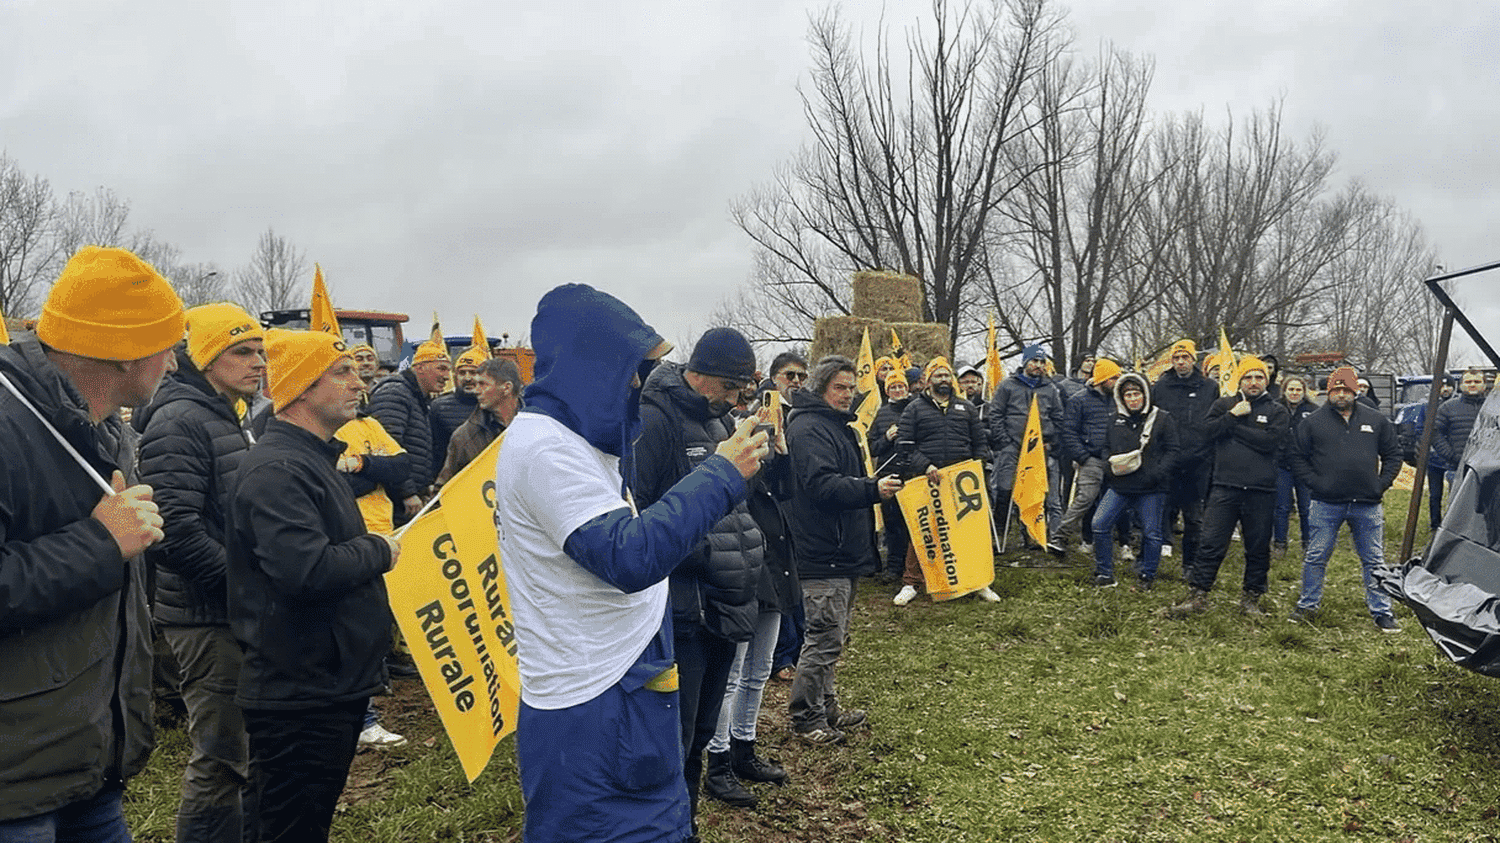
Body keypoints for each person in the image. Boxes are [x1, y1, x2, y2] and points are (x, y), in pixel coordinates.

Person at [494, 284, 768, 843]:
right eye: (631, 370)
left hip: (624, 679)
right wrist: (721, 473)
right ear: (592, 368)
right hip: (595, 698)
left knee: (655, 816)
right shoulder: (545, 448)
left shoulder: (574, 441)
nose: (639, 386)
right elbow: (629, 554)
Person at [0, 246, 183, 837]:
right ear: (124, 351)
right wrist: (101, 543)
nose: (174, 363)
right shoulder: (7, 422)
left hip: (88, 764)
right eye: (167, 345)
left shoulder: (104, 428)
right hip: (14, 788)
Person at [227, 329, 401, 841]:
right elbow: (307, 570)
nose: (359, 383)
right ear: (301, 387)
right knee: (287, 827)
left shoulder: (310, 459)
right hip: (300, 693)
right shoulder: (279, 469)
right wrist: (379, 549)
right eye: (340, 372)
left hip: (324, 683)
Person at [137, 303, 263, 843]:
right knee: (221, 759)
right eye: (243, 351)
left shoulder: (223, 412)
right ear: (207, 357)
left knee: (242, 754)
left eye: (260, 350)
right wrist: (247, 588)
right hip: (205, 617)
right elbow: (174, 531)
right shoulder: (180, 421)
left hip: (229, 609)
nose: (259, 362)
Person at [634, 328, 764, 820]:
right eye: (730, 387)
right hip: (682, 608)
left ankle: (685, 825)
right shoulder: (655, 419)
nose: (735, 399)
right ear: (702, 374)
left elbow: (734, 504)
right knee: (677, 734)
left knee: (702, 733)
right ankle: (668, 824)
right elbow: (638, 514)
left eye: (741, 391)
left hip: (723, 601)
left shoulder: (720, 421)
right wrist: (704, 551)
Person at [785, 355, 903, 744]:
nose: (848, 394)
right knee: (822, 638)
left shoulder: (835, 426)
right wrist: (872, 489)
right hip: (822, 553)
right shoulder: (808, 428)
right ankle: (807, 717)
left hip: (841, 551)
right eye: (840, 387)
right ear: (820, 387)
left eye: (852, 388)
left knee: (835, 636)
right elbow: (822, 485)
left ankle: (826, 706)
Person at [1285, 366, 1403, 631]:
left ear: (1355, 392)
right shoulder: (1312, 422)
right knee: (1316, 555)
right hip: (1326, 503)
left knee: (1374, 559)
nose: (1340, 394)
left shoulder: (1376, 420)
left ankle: (1382, 611)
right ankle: (1307, 605)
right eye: (1336, 390)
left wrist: (1381, 484)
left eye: (1346, 390)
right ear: (1328, 392)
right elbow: (1296, 457)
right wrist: (1316, 483)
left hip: (1367, 503)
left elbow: (1394, 454)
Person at [1170, 356, 1288, 617]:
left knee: (1257, 548)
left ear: (1266, 380)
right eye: (1248, 377)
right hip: (1225, 486)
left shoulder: (1277, 410)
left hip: (1261, 490)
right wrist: (1232, 416)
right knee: (1210, 543)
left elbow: (1269, 442)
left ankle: (1251, 599)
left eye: (1259, 377)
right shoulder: (1224, 405)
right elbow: (1206, 432)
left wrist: (1233, 429)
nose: (1253, 382)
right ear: (1239, 380)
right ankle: (1198, 596)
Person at [892, 357, 996, 605]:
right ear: (928, 381)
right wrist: (925, 465)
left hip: (960, 482)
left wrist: (979, 467)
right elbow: (904, 445)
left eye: (947, 375)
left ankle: (978, 581)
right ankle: (911, 583)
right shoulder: (914, 409)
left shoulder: (966, 408)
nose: (944, 380)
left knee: (968, 532)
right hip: (927, 480)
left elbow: (980, 442)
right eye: (938, 375)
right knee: (923, 531)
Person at [1091, 374, 1178, 589]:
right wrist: (1108, 467)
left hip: (1152, 488)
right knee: (1099, 524)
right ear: (1121, 398)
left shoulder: (1162, 418)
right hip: (1120, 485)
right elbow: (1105, 447)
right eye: (1128, 395)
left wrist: (1157, 474)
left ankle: (1147, 575)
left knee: (1151, 533)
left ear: (1145, 394)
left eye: (1136, 394)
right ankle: (1104, 573)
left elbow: (1173, 451)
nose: (1132, 399)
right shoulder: (1114, 419)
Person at [986, 344, 1065, 551]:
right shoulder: (1007, 386)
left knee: (1034, 490)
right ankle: (998, 536)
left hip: (1039, 448)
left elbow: (1058, 417)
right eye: (1034, 361)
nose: (1038, 365)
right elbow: (995, 414)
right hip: (1012, 446)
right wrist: (1004, 441)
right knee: (1004, 490)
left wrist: (1051, 440)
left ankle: (1031, 534)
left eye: (1041, 362)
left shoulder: (1050, 389)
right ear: (1025, 362)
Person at [1151, 340, 1219, 573]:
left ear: (1193, 359)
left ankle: (1190, 563)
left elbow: (1214, 420)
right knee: (1164, 507)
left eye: (1185, 358)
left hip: (1198, 460)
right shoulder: (1161, 386)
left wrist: (1208, 450)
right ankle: (1160, 550)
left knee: (1194, 516)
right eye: (1176, 358)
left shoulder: (1209, 387)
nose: (1181, 362)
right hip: (1168, 457)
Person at [368, 339, 450, 525]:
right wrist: (407, 492)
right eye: (441, 368)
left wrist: (423, 486)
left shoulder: (417, 398)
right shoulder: (395, 393)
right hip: (396, 501)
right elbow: (386, 447)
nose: (447, 376)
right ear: (420, 367)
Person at [1056, 358, 1122, 550]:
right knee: (1085, 499)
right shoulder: (1078, 400)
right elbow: (1069, 431)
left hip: (1115, 460)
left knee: (1117, 500)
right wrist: (1081, 456)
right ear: (1102, 379)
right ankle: (1060, 536)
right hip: (1091, 458)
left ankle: (1114, 539)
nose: (1117, 382)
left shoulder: (1119, 400)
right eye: (1114, 378)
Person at [436, 357, 523, 484]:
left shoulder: (540, 425)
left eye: (483, 384)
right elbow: (445, 488)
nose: (476, 390)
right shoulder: (464, 437)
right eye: (476, 384)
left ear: (506, 388)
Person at [869, 367, 913, 581]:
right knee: (893, 523)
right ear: (887, 391)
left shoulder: (916, 408)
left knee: (914, 522)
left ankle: (916, 568)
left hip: (913, 473)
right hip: (890, 474)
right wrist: (886, 437)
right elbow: (872, 448)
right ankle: (895, 567)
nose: (898, 390)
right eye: (893, 387)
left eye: (901, 386)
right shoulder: (881, 414)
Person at [1273, 375, 1317, 558]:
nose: (1294, 393)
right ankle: (1279, 544)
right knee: (1281, 507)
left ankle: (1308, 544)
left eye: (1298, 389)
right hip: (1281, 464)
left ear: (1304, 392)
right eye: (1291, 389)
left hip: (1304, 466)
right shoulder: (1275, 408)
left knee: (1306, 508)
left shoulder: (1313, 410)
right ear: (1284, 391)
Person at [1433, 368, 1489, 494]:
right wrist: (1452, 456)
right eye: (1468, 382)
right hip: (1457, 469)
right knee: (1458, 505)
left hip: (1489, 470)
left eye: (1477, 381)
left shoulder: (1493, 407)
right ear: (1461, 385)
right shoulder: (1448, 407)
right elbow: (1435, 433)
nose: (1472, 385)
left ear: (1484, 385)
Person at [429, 344, 485, 464]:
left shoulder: (495, 404)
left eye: (473, 372)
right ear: (455, 376)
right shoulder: (438, 407)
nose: (467, 378)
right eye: (462, 373)